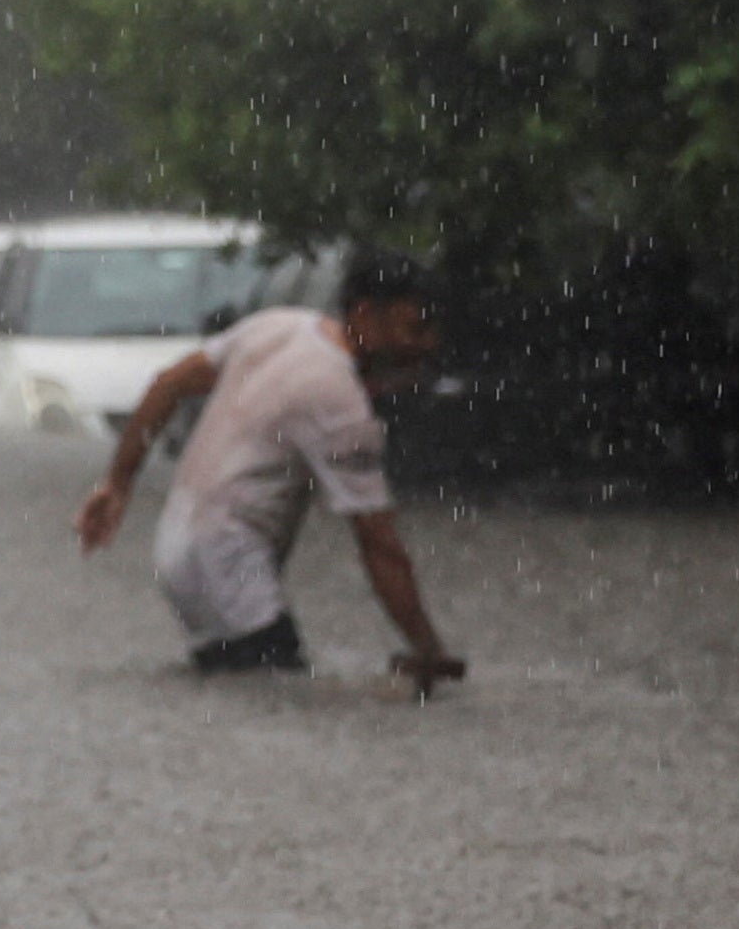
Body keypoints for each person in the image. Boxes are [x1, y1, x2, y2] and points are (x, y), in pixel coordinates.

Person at [74, 261, 467, 693]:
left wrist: (118, 483)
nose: (425, 345)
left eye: (433, 332)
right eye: (413, 328)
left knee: (240, 690)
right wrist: (427, 648)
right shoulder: (338, 402)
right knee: (272, 694)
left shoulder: (279, 327)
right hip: (225, 563)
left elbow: (168, 384)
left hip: (181, 545)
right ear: (363, 314)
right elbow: (379, 543)